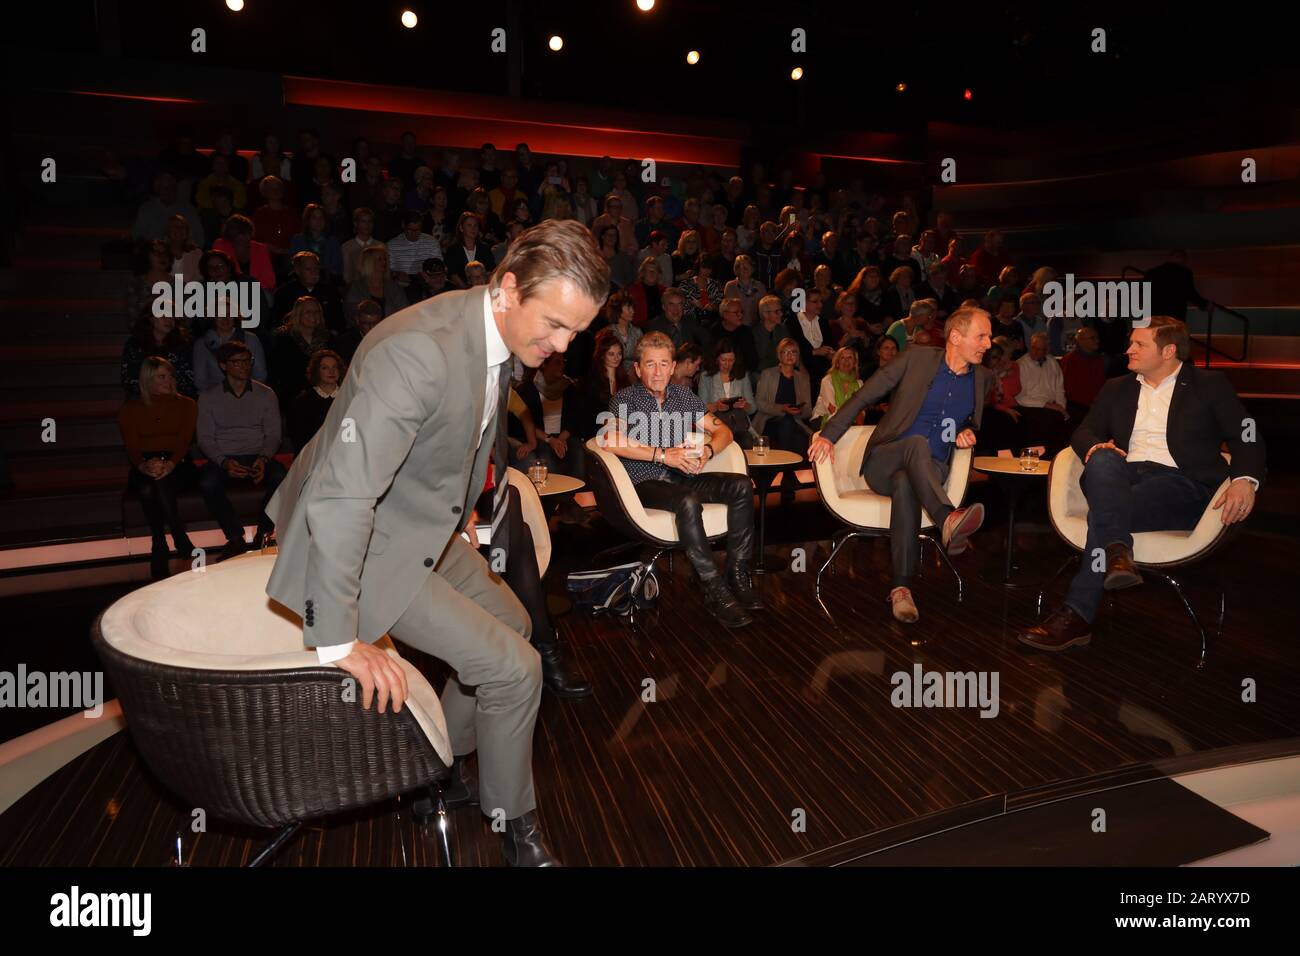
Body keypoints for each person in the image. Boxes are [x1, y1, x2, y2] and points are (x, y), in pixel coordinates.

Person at [265, 218, 610, 866]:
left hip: (420, 521)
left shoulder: (500, 335)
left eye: (575, 332)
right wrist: (336, 638)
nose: (562, 345)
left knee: (512, 619)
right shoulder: (417, 351)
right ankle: (516, 822)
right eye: (556, 325)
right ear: (508, 289)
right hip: (359, 537)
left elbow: (459, 442)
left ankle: (437, 765)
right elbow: (344, 494)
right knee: (516, 668)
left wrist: (458, 524)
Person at [1022, 317, 1265, 651]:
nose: (1128, 350)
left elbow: (1246, 435)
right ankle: (1117, 553)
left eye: (1139, 344)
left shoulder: (1209, 384)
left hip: (1181, 484)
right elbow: (1084, 431)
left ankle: (1078, 612)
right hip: (1120, 476)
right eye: (1130, 343)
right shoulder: (1117, 387)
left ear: (1168, 351)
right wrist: (1095, 447)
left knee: (1104, 516)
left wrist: (1244, 479)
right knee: (1104, 459)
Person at [808, 306, 993, 624]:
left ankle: (901, 588)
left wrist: (967, 431)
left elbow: (972, 422)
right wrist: (828, 435)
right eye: (982, 336)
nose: (988, 344)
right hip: (885, 460)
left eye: (988, 337)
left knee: (907, 482)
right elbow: (864, 395)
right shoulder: (916, 358)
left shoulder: (983, 379)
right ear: (955, 336)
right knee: (915, 444)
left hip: (930, 470)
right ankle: (946, 518)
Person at [603, 332, 761, 629]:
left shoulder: (683, 397)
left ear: (673, 366)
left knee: (740, 486)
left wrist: (709, 450)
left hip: (681, 476)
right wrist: (663, 456)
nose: (658, 372)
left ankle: (737, 573)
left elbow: (723, 431)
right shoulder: (624, 399)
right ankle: (714, 589)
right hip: (644, 482)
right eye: (650, 365)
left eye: (664, 364)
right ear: (638, 369)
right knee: (688, 502)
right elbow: (610, 440)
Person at [196, 341, 286, 561]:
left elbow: (274, 434)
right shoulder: (208, 397)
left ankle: (264, 532)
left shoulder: (266, 394)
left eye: (247, 361)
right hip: (225, 457)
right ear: (223, 365)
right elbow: (205, 438)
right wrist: (224, 462)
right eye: (237, 362)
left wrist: (264, 458)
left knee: (281, 476)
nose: (244, 366)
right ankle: (235, 536)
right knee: (208, 482)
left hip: (257, 453)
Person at [119, 357, 199, 579]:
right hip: (144, 463)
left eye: (170, 375)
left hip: (179, 462)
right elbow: (132, 447)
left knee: (157, 484)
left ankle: (162, 541)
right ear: (147, 380)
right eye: (162, 376)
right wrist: (144, 465)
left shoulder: (187, 404)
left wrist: (170, 463)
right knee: (147, 487)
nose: (169, 380)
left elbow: (184, 441)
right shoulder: (130, 409)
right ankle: (167, 537)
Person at [754, 338, 814, 505]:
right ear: (779, 355)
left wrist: (799, 410)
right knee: (788, 426)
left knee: (792, 428)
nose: (790, 355)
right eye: (786, 352)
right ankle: (788, 477)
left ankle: (783, 479)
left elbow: (809, 409)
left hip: (794, 421)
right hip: (770, 420)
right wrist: (782, 408)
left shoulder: (803, 377)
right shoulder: (768, 374)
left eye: (793, 352)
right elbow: (760, 403)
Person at [513, 352, 585, 480]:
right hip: (540, 436)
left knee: (578, 451)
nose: (562, 366)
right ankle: (554, 497)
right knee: (546, 455)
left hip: (563, 436)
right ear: (544, 365)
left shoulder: (569, 388)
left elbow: (574, 419)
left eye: (563, 362)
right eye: (557, 362)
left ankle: (577, 493)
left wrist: (561, 439)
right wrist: (550, 439)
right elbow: (526, 423)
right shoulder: (528, 389)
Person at [268, 296, 335, 408]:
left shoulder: (329, 338)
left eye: (316, 312)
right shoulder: (283, 339)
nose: (313, 315)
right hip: (293, 397)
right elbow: (278, 372)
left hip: (324, 395)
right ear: (298, 315)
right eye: (308, 312)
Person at [193, 300, 268, 392]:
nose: (225, 319)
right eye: (220, 315)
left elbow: (260, 375)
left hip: (248, 395)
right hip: (215, 398)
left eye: (229, 314)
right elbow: (200, 382)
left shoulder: (251, 339)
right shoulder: (201, 344)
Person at [1015, 332, 1070, 455]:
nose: (1036, 352)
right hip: (1030, 406)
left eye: (1041, 349)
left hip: (1052, 407)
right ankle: (1034, 458)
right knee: (1042, 422)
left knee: (1064, 423)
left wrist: (1062, 408)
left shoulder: (1052, 362)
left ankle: (1054, 460)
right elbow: (1020, 397)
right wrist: (1049, 406)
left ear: (1047, 350)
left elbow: (1059, 389)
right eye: (1034, 348)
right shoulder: (1021, 364)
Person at [121, 310, 195, 399]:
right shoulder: (135, 344)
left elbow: (188, 380)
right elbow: (129, 380)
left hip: (174, 400)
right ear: (151, 319)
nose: (169, 320)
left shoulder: (182, 345)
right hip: (143, 401)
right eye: (164, 316)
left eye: (172, 317)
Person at [698, 337, 756, 445]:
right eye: (723, 360)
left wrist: (744, 405)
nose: (727, 364)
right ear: (716, 359)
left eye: (731, 360)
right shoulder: (706, 377)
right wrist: (716, 406)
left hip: (739, 425)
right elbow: (700, 410)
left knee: (745, 441)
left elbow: (752, 408)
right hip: (715, 425)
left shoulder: (742, 376)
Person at [273, 251, 344, 333]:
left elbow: (339, 321)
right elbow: (279, 322)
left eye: (316, 268)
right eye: (308, 269)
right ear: (297, 270)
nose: (313, 272)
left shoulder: (330, 292)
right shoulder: (284, 293)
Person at [580, 329, 632, 441]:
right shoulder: (592, 381)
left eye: (619, 354)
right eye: (611, 354)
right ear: (602, 355)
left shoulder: (625, 379)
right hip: (597, 434)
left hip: (621, 434)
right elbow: (587, 414)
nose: (616, 358)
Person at [288, 349, 344, 451]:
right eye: (325, 368)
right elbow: (299, 439)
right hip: (314, 455)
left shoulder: (349, 397)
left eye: (334, 367)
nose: (331, 371)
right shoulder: (302, 402)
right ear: (316, 372)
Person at [975, 342, 1024, 454]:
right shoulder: (982, 373)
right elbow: (985, 400)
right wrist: (1004, 409)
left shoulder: (994, 372)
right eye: (994, 357)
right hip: (981, 412)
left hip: (990, 409)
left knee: (1014, 419)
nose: (997, 361)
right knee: (1004, 421)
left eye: (999, 357)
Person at [346, 245, 405, 322]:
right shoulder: (356, 287)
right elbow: (353, 314)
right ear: (369, 262)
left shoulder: (393, 286)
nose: (384, 262)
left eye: (385, 259)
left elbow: (404, 310)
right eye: (379, 259)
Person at [1145, 250, 1207, 322]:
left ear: (1169, 258)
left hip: (1155, 316)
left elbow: (1143, 291)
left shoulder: (1152, 272)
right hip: (1175, 316)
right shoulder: (1183, 272)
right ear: (1182, 259)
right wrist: (1205, 304)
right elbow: (1190, 293)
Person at [1060, 325, 1108, 419]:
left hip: (1096, 406)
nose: (1097, 341)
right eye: (1092, 338)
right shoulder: (1070, 360)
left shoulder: (1099, 359)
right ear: (1081, 341)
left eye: (1097, 338)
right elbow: (1067, 389)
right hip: (1078, 408)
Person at [813, 347, 865, 430]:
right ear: (837, 362)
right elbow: (832, 410)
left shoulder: (859, 383)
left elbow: (861, 412)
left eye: (850, 357)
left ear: (855, 362)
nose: (846, 361)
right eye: (842, 358)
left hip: (852, 426)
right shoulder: (827, 380)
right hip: (828, 424)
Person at [645, 287, 710, 352]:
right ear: (663, 307)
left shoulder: (690, 321)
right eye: (671, 304)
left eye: (679, 304)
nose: (676, 309)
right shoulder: (654, 326)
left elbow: (707, 341)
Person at [444, 211, 496, 288]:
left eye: (475, 225)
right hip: (461, 292)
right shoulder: (453, 249)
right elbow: (453, 274)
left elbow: (490, 270)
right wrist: (467, 290)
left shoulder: (484, 248)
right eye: (469, 225)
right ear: (461, 228)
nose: (473, 228)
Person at [335, 298, 384, 364]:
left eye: (375, 323)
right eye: (366, 323)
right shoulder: (345, 342)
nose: (371, 328)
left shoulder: (386, 339)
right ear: (357, 320)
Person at [751, 293, 790, 372]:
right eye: (776, 311)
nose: (781, 314)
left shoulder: (783, 329)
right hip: (762, 373)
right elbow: (760, 360)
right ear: (765, 314)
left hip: (782, 370)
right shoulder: (754, 333)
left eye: (781, 310)